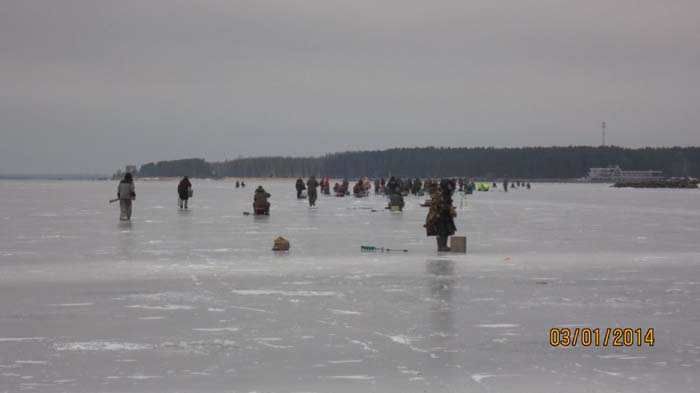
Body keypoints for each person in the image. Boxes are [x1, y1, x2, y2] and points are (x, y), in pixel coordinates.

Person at [424, 179, 457, 252]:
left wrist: (450, 208)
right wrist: (449, 208)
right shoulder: (439, 193)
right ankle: (441, 246)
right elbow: (440, 204)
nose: (450, 188)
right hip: (438, 216)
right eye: (449, 186)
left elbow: (446, 203)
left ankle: (444, 245)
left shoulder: (445, 193)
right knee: (441, 231)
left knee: (446, 231)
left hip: (444, 215)